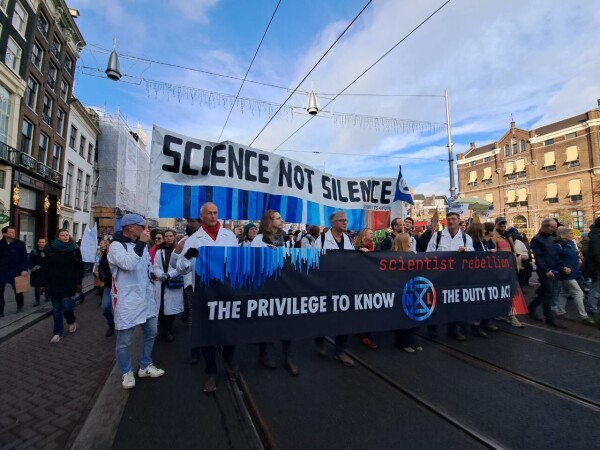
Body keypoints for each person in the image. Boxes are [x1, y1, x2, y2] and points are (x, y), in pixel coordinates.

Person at [175, 202, 238, 393]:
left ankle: (228, 361)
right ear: (201, 217)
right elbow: (180, 268)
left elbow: (237, 260)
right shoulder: (193, 240)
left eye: (215, 213)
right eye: (209, 213)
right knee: (207, 333)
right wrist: (187, 258)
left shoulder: (230, 236)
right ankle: (211, 371)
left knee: (229, 330)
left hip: (227, 290)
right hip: (204, 292)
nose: (213, 216)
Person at [108, 213, 165, 390]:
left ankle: (145, 365)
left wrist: (157, 275)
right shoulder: (116, 246)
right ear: (131, 227)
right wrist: (141, 243)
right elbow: (128, 264)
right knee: (124, 341)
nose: (145, 230)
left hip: (145, 299)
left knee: (151, 331)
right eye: (142, 227)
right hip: (127, 300)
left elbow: (147, 268)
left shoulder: (141, 246)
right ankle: (126, 372)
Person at [251, 210, 299, 375]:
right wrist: (266, 256)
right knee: (266, 323)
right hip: (265, 288)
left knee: (288, 323)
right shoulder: (258, 240)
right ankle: (263, 354)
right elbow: (252, 263)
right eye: (278, 218)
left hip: (283, 286)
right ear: (269, 221)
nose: (282, 220)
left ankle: (287, 357)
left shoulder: (284, 239)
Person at [314, 210, 355, 367]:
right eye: (341, 220)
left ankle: (340, 351)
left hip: (344, 284)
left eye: (346, 220)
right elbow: (315, 261)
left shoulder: (348, 239)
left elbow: (351, 260)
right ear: (332, 223)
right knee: (324, 316)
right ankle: (319, 339)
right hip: (326, 285)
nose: (345, 222)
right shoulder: (322, 239)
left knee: (344, 318)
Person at [426, 212, 474, 340]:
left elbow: (473, 256)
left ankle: (453, 329)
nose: (451, 221)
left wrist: (466, 251)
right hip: (439, 276)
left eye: (453, 219)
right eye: (448, 219)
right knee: (436, 303)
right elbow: (428, 254)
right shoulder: (437, 236)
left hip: (457, 277)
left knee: (455, 303)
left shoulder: (465, 238)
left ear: (459, 221)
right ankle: (433, 329)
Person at [40, 229, 84, 344]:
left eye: (67, 235)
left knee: (68, 307)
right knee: (56, 310)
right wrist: (43, 284)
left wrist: (79, 282)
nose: (65, 237)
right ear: (58, 237)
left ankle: (71, 320)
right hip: (54, 284)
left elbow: (80, 267)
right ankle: (57, 333)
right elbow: (45, 268)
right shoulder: (50, 250)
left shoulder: (75, 250)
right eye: (63, 235)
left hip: (69, 283)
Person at [528, 218, 567, 329]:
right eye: (552, 227)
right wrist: (545, 270)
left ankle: (531, 308)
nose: (554, 230)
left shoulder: (551, 238)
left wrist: (562, 267)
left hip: (553, 269)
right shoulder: (537, 239)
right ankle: (549, 319)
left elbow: (555, 255)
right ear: (545, 226)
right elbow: (539, 257)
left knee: (543, 293)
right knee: (549, 294)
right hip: (545, 271)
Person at [554, 227, 594, 324]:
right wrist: (563, 268)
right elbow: (554, 259)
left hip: (574, 272)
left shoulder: (571, 244)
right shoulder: (558, 245)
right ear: (563, 234)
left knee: (564, 292)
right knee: (578, 293)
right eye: (570, 233)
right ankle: (584, 316)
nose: (572, 234)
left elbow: (576, 256)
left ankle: (560, 312)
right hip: (566, 273)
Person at [392, 232, 423, 352]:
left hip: (413, 290)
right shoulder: (394, 257)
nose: (411, 241)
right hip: (401, 291)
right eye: (409, 240)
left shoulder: (413, 254)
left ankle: (412, 340)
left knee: (414, 318)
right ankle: (403, 343)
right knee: (403, 319)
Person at [152, 229, 184, 341]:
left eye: (171, 235)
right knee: (161, 308)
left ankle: (167, 331)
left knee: (171, 310)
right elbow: (155, 266)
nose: (169, 238)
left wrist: (169, 275)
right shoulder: (159, 251)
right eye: (166, 236)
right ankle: (162, 329)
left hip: (173, 283)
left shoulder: (179, 250)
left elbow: (181, 267)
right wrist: (161, 275)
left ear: (174, 237)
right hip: (161, 283)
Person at [491, 218, 523, 328]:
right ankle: (511, 316)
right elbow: (493, 252)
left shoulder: (508, 235)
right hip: (501, 269)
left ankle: (501, 313)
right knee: (507, 293)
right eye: (500, 223)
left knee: (508, 292)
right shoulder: (494, 236)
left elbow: (512, 252)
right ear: (496, 224)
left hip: (510, 268)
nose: (503, 225)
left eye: (504, 223)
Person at [354, 227, 377, 349]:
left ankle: (365, 333)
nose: (372, 234)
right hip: (360, 282)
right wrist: (359, 251)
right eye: (370, 233)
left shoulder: (373, 245)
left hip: (371, 281)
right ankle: (365, 336)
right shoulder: (357, 247)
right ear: (364, 235)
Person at [0, 226, 29, 316]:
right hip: (2, 272)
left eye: (14, 232)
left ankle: (20, 307)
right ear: (4, 234)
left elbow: (24, 258)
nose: (13, 234)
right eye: (11, 232)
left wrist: (24, 269)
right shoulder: (0, 244)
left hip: (17, 271)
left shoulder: (20, 244)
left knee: (19, 292)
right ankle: (1, 311)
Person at [96, 239, 115, 337]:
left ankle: (120, 326)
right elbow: (101, 267)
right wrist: (103, 277)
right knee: (105, 307)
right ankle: (111, 324)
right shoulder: (107, 254)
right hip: (109, 285)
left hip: (121, 287)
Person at [29, 237, 48, 306]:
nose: (41, 244)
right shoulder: (34, 251)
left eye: (43, 242)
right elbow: (30, 261)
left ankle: (47, 297)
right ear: (37, 243)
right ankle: (37, 301)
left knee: (47, 285)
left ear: (45, 243)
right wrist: (31, 268)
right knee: (37, 287)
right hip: (37, 272)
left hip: (46, 271)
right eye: (40, 242)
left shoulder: (48, 251)